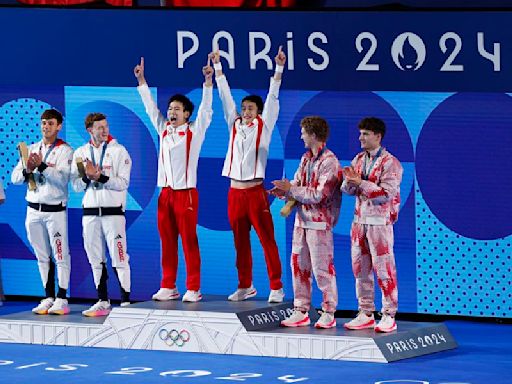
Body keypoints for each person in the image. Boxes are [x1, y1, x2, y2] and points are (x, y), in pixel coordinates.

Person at [134, 57, 213, 303]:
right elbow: (150, 109)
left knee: (189, 241)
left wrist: (208, 82)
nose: (171, 112)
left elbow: (206, 110)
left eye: (177, 109)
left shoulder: (194, 132)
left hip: (186, 194)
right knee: (167, 242)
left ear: (187, 114)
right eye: (170, 109)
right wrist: (142, 81)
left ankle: (193, 287)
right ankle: (168, 285)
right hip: (165, 194)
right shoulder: (164, 130)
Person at [211, 47, 285, 303]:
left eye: (251, 108)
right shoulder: (234, 124)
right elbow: (224, 97)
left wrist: (278, 69)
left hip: (255, 193)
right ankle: (245, 285)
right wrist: (219, 68)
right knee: (240, 243)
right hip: (234, 193)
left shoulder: (265, 126)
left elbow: (273, 97)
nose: (245, 111)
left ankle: (276, 286)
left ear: (259, 111)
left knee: (267, 240)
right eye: (244, 108)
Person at [271, 116, 342, 328]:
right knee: (298, 267)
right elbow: (298, 183)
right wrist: (284, 190)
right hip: (301, 223)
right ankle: (301, 310)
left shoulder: (330, 162)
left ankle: (328, 312)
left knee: (322, 270)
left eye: (303, 132)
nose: (300, 136)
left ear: (313, 134)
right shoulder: (305, 159)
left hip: (320, 225)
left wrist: (291, 189)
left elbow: (320, 195)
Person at [341, 117, 403, 333]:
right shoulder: (358, 159)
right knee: (360, 270)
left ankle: (388, 315)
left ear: (378, 136)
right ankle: (365, 312)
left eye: (365, 134)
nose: (361, 138)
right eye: (360, 133)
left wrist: (360, 183)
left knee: (384, 270)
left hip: (380, 224)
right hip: (359, 222)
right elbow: (347, 190)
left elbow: (385, 194)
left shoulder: (391, 163)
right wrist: (348, 182)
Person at [11, 109, 73, 315]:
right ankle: (48, 296)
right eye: (44, 123)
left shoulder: (65, 151)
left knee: (60, 254)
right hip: (33, 211)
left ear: (59, 126)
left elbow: (63, 179)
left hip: (55, 211)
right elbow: (15, 179)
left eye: (50, 123)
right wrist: (27, 169)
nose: (46, 126)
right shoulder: (31, 149)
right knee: (41, 256)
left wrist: (43, 166)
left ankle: (62, 297)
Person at [71, 113, 132, 317]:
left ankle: (125, 302)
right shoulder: (80, 153)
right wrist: (88, 178)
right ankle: (103, 300)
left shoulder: (119, 151)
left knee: (119, 256)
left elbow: (123, 183)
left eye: (106, 126)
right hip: (89, 214)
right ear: (90, 130)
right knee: (95, 258)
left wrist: (101, 177)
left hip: (113, 213)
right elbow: (77, 187)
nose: (104, 130)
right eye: (99, 127)